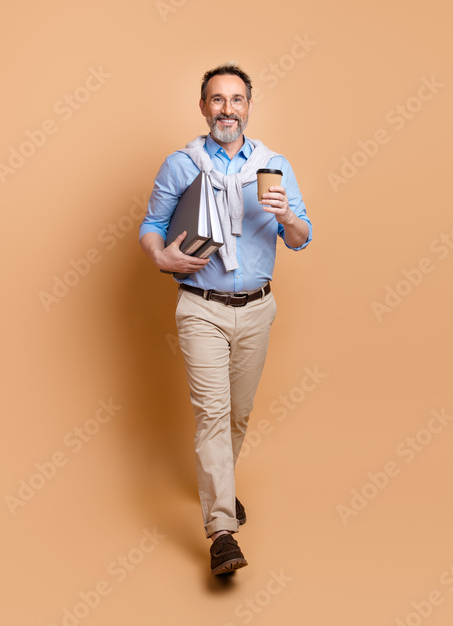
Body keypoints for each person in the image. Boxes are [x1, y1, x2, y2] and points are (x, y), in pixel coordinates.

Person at [138, 63, 313, 575]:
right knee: (212, 415)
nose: (227, 109)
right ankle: (221, 531)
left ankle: (222, 488)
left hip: (257, 307)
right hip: (200, 305)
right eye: (217, 100)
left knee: (237, 414)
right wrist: (161, 258)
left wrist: (284, 216)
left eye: (237, 100)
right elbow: (151, 225)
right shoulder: (182, 165)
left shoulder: (273, 165)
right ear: (203, 107)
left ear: (248, 108)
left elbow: (302, 237)